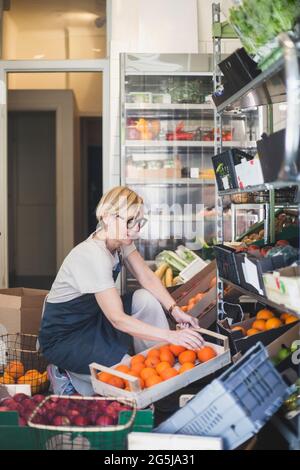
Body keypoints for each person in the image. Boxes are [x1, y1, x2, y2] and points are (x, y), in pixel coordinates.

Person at [38, 186, 204, 395]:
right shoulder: (92, 255)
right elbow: (117, 319)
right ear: (107, 217)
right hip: (67, 337)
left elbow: (147, 277)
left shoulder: (119, 241)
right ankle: (63, 373)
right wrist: (171, 335)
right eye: (129, 221)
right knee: (127, 376)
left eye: (139, 222)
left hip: (94, 318)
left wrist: (175, 310)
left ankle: (158, 360)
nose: (135, 229)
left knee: (145, 298)